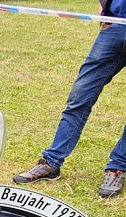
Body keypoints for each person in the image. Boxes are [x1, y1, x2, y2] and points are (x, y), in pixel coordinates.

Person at [13, 0, 126, 198]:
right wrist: (104, 5)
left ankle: (118, 167)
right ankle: (51, 163)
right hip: (114, 25)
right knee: (80, 97)